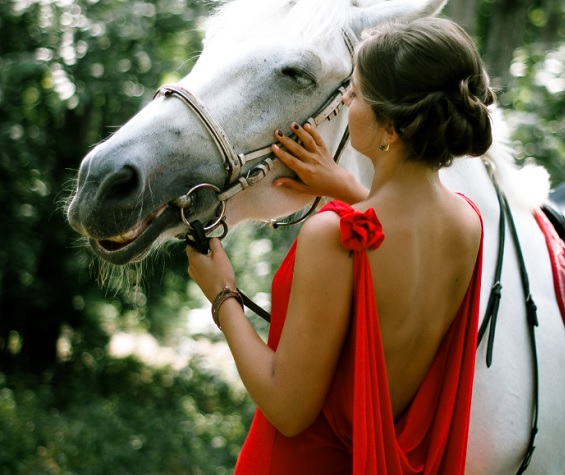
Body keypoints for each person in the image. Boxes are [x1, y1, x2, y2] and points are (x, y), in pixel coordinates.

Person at [187, 16, 495, 474]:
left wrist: (223, 296)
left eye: (357, 92)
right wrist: (347, 187)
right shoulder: (468, 224)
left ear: (391, 129)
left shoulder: (333, 237)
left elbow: (288, 409)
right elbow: (398, 236)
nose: (347, 99)